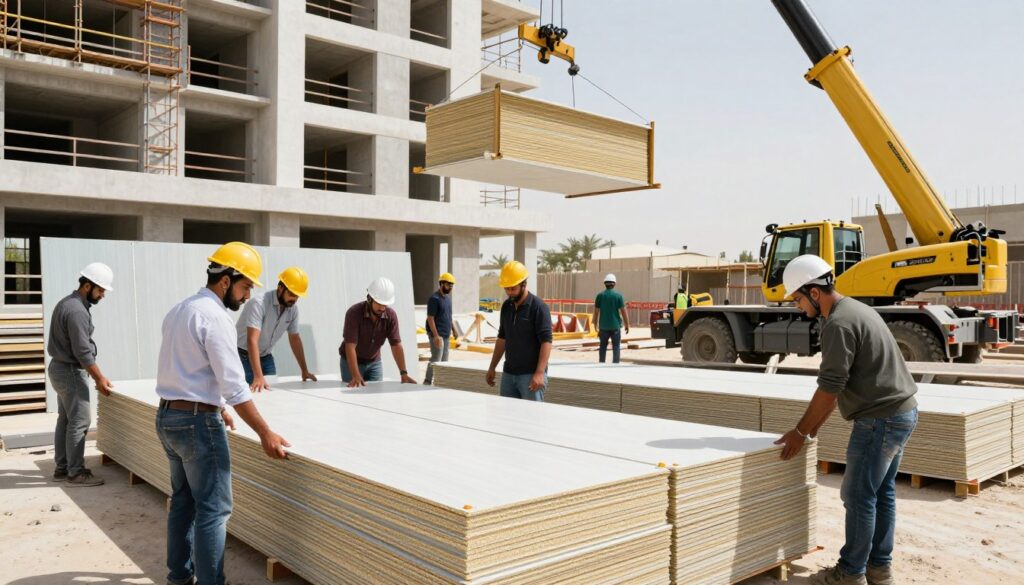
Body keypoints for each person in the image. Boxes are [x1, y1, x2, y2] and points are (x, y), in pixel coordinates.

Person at [774, 254, 918, 585]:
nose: (797, 306)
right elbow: (838, 385)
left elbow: (829, 388)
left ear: (814, 292)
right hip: (902, 412)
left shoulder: (838, 324)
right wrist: (812, 431)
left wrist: (799, 432)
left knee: (857, 497)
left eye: (797, 298)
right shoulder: (856, 309)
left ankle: (850, 573)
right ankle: (879, 569)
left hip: (879, 420)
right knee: (881, 494)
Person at [155, 241, 290, 585]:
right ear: (226, 280)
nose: (247, 297)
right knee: (214, 510)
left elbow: (187, 370)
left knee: (183, 501)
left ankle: (179, 577)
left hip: (168, 417)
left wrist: (216, 406)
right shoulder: (215, 317)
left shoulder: (179, 309)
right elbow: (234, 384)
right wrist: (265, 432)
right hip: (196, 425)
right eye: (245, 287)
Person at [47, 262, 116, 487]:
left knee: (66, 419)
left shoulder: (67, 303)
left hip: (59, 368)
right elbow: (82, 351)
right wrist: (99, 377)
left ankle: (62, 467)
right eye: (100, 290)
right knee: (80, 420)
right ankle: (75, 473)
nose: (103, 295)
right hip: (69, 371)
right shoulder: (76, 310)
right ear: (87, 286)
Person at [236, 266, 317, 391]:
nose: (294, 299)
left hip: (266, 356)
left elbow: (295, 339)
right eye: (291, 294)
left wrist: (304, 370)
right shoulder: (259, 303)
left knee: (272, 394)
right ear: (280, 288)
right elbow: (252, 340)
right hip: (243, 356)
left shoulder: (293, 310)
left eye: (297, 296)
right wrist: (258, 376)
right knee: (250, 394)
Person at [485, 261, 552, 401]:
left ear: (523, 284)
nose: (509, 293)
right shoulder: (506, 307)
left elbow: (546, 342)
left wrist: (539, 372)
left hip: (530, 375)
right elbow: (502, 338)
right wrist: (492, 367)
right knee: (509, 419)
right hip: (509, 375)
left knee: (532, 418)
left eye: (513, 289)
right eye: (506, 289)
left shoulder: (539, 307)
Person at [340, 276, 417, 387]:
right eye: (379, 303)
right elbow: (350, 346)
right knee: (353, 396)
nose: (382, 308)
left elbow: (396, 345)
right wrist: (355, 375)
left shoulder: (391, 316)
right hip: (351, 363)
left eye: (385, 304)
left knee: (376, 397)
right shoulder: (354, 313)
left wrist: (403, 373)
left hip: (374, 363)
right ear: (369, 298)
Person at [423, 272, 455, 385]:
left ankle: (442, 383)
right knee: (436, 359)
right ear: (441, 284)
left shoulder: (448, 299)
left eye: (451, 286)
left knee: (445, 361)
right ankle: (427, 381)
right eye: (447, 285)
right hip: (437, 335)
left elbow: (449, 316)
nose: (450, 288)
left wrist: (454, 331)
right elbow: (430, 318)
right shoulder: (434, 299)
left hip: (446, 335)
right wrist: (436, 336)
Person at [592, 273, 630, 363]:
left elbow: (596, 312)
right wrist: (627, 325)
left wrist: (595, 325)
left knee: (602, 346)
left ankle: (601, 363)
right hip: (615, 326)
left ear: (604, 283)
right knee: (616, 346)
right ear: (614, 284)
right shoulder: (618, 296)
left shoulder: (600, 296)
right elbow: (623, 312)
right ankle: (615, 365)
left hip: (603, 327)